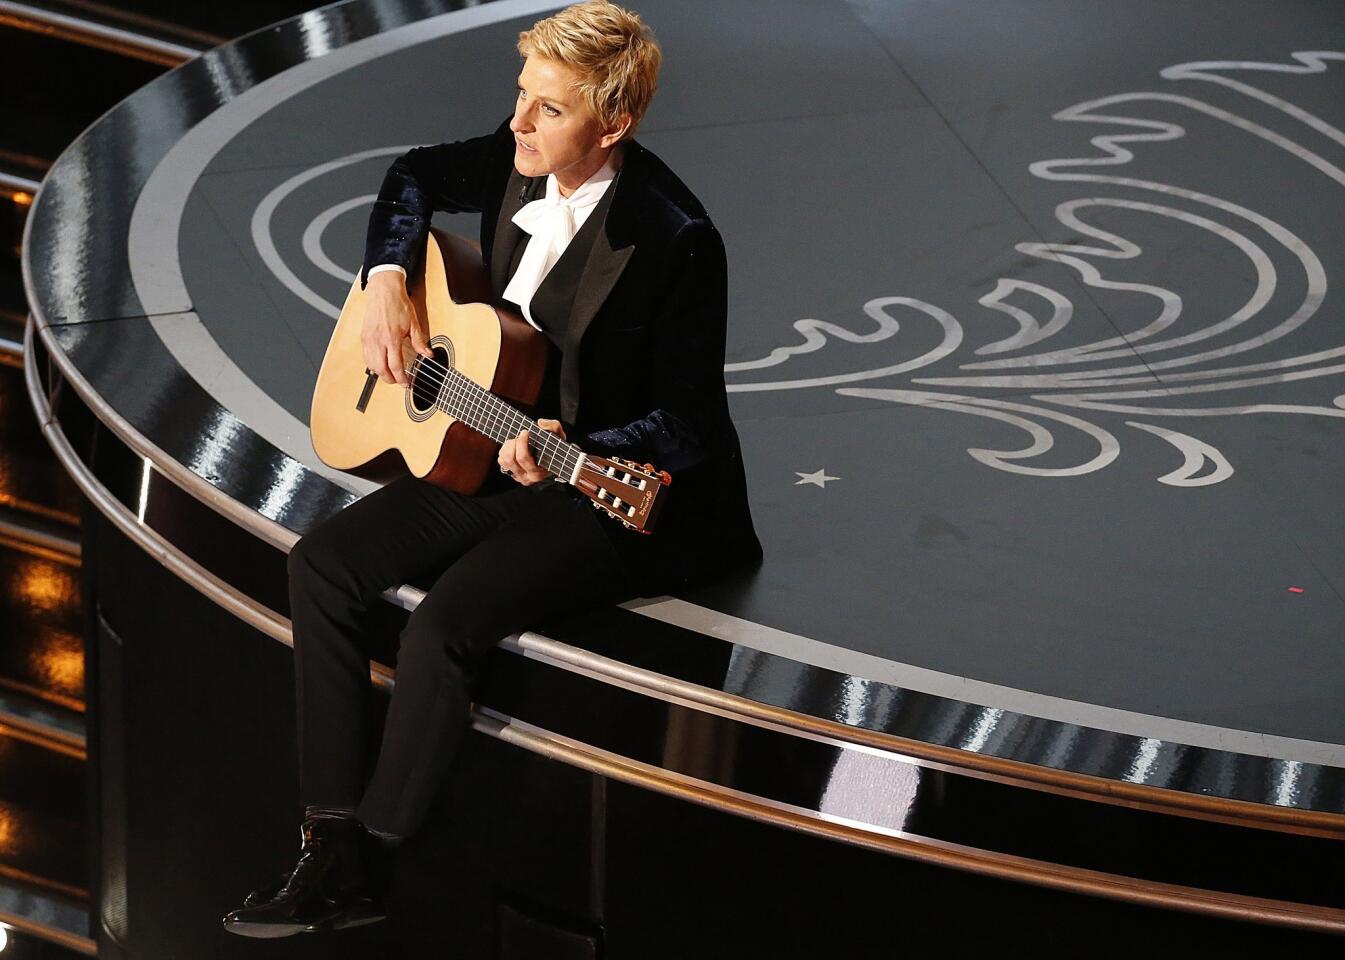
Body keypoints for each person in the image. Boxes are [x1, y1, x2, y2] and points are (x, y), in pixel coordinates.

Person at [222, 0, 760, 938]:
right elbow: (407, 180)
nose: (518, 122)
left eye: (548, 109)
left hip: (609, 494)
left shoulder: (675, 237)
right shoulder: (518, 159)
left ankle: (375, 864)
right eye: (521, 96)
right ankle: (328, 840)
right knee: (322, 565)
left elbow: (689, 424)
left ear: (615, 123)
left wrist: (586, 451)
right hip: (494, 440)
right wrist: (389, 278)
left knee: (443, 629)